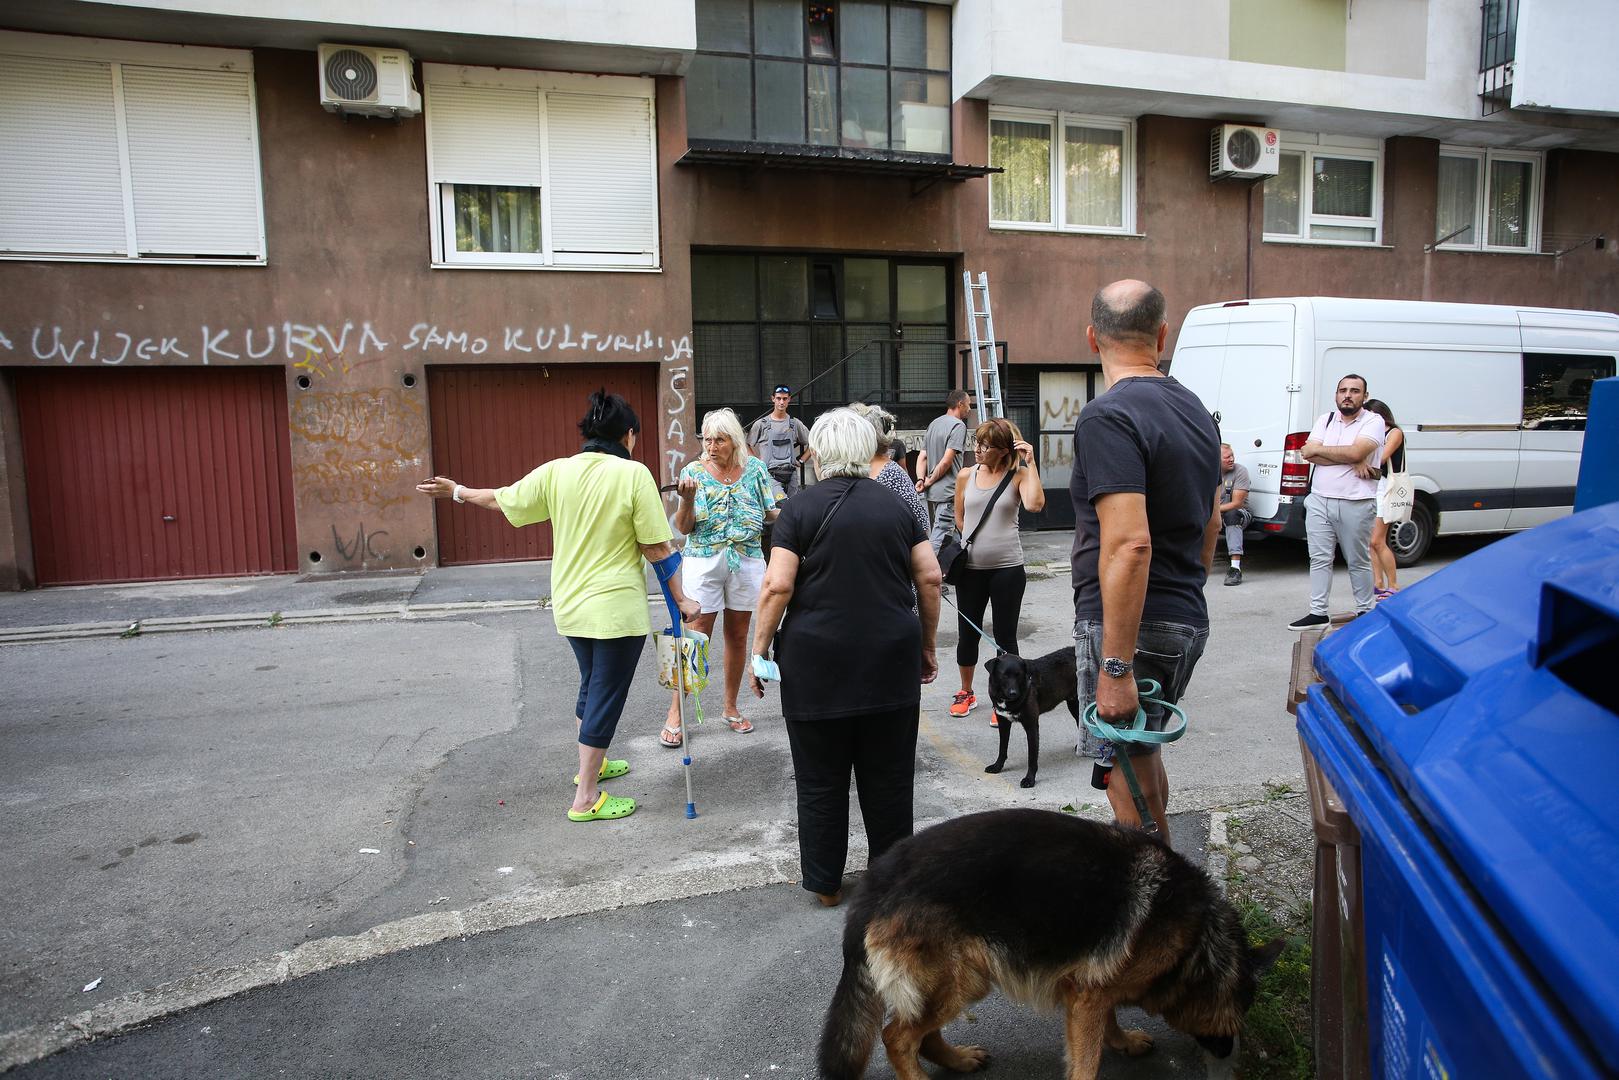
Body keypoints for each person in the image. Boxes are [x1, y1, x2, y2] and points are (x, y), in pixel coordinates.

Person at [417, 390, 700, 823]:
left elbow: (500, 499)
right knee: (606, 694)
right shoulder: (633, 475)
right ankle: (586, 798)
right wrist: (682, 599)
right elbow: (658, 547)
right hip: (614, 612)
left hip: (570, 607)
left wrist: (457, 491)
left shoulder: (556, 472)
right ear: (628, 436)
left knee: (591, 684)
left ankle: (595, 766)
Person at [749, 408, 942, 907]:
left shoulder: (798, 509)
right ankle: (891, 885)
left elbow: (777, 585)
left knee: (819, 780)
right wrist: (925, 645)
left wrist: (759, 649)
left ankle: (826, 885)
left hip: (816, 665)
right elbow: (930, 577)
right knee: (891, 780)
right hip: (890, 659)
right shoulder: (899, 506)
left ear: (819, 454)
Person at [1072, 280, 1221, 842]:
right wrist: (1187, 587)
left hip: (1128, 627)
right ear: (1162, 335)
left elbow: (1130, 544)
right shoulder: (1194, 408)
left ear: (1092, 338)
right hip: (1181, 614)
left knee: (1118, 768)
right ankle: (1171, 883)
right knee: (1141, 752)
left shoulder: (1107, 416)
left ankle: (1159, 911)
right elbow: (1210, 521)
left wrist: (1114, 668)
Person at [664, 408, 779, 744]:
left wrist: (799, 515)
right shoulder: (693, 472)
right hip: (703, 558)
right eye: (708, 439)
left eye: (720, 439)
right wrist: (685, 502)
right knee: (694, 636)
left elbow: (770, 510)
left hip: (747, 558)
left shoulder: (756, 469)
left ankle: (730, 707)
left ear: (735, 441)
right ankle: (675, 713)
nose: (712, 446)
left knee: (738, 633)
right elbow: (683, 528)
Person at [947, 417, 1046, 721]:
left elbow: (1035, 504)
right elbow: (960, 517)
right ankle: (966, 692)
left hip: (1008, 569)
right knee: (968, 634)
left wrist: (1030, 464)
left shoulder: (1018, 475)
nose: (977, 449)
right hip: (971, 570)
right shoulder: (966, 474)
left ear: (1003, 450)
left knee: (1005, 637)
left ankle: (1006, 699)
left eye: (985, 445)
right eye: (976, 443)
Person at [1287, 375, 1386, 630]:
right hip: (1320, 499)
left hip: (1356, 501)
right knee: (1319, 559)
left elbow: (1355, 451)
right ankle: (1318, 612)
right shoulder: (1326, 419)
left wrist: (1332, 452)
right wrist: (1351, 458)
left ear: (1364, 396)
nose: (1347, 395)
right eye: (1342, 390)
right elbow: (1307, 452)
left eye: (1354, 391)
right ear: (1336, 395)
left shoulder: (1373, 421)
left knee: (1357, 559)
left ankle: (1365, 609)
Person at [915, 389, 972, 550]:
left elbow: (922, 457)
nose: (969, 408)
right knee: (939, 534)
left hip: (932, 492)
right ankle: (927, 572)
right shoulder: (958, 425)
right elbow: (947, 461)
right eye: (968, 404)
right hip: (948, 491)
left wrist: (922, 480)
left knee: (950, 531)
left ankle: (956, 567)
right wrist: (930, 479)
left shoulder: (934, 423)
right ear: (960, 404)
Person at [1363, 399, 1406, 599]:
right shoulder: (1375, 433)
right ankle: (1378, 582)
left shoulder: (1394, 433)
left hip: (1387, 489)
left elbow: (1380, 458)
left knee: (1377, 540)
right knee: (1371, 543)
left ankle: (1394, 585)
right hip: (1375, 487)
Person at [748, 385, 813, 499]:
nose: (781, 402)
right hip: (769, 474)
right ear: (773, 399)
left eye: (784, 398)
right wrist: (756, 462)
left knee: (793, 507)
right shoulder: (761, 424)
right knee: (781, 503)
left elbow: (813, 442)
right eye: (778, 398)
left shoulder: (794, 423)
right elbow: (746, 445)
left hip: (791, 473)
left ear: (789, 400)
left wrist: (802, 460)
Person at [1217, 443, 1251, 586]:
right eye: (1227, 457)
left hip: (1239, 514)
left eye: (1232, 456)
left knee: (1232, 515)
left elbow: (1237, 503)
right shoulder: (1207, 472)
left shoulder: (1240, 471)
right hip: (1215, 513)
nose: (1231, 459)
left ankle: (1235, 568)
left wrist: (1212, 512)